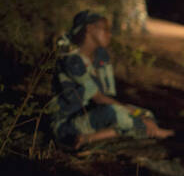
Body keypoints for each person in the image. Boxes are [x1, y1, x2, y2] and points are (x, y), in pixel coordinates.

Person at [49, 10, 173, 149]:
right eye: (105, 29)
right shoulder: (73, 61)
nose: (109, 34)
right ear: (89, 29)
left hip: (93, 115)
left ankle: (87, 139)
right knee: (119, 114)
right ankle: (78, 139)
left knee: (146, 114)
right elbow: (99, 98)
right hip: (67, 124)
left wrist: (140, 115)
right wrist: (135, 115)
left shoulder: (101, 56)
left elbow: (107, 96)